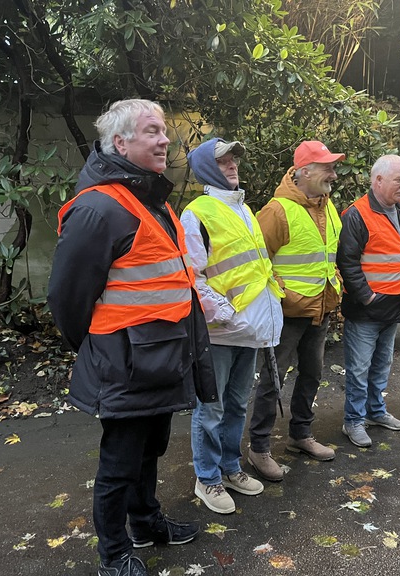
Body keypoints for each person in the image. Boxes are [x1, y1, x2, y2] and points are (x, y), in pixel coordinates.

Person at [47, 99, 218, 576]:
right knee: (120, 463)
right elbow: (67, 299)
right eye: (152, 131)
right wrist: (100, 346)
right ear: (119, 143)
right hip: (126, 362)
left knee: (149, 451)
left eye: (164, 131)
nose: (165, 139)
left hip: (160, 359)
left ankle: (146, 524)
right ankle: (114, 554)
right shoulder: (100, 208)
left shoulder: (151, 201)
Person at [181, 138, 284, 513]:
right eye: (223, 161)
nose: (233, 166)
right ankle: (206, 479)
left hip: (248, 331)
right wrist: (224, 313)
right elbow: (193, 276)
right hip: (221, 331)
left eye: (234, 159)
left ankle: (229, 468)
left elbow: (252, 267)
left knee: (237, 404)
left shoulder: (243, 208)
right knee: (211, 407)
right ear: (208, 168)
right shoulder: (197, 214)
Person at [246, 140, 344, 482]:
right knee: (274, 380)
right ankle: (258, 448)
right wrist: (278, 295)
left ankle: (300, 435)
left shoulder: (328, 206)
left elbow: (327, 256)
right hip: (287, 314)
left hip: (320, 308)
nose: (334, 173)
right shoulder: (277, 211)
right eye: (327, 167)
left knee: (312, 374)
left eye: (333, 166)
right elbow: (257, 262)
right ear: (304, 172)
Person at [337, 154, 400, 448]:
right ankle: (354, 421)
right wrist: (367, 298)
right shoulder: (356, 215)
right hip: (367, 310)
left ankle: (375, 412)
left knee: (381, 365)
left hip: (394, 305)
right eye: (399, 179)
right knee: (359, 369)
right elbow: (347, 263)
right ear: (378, 180)